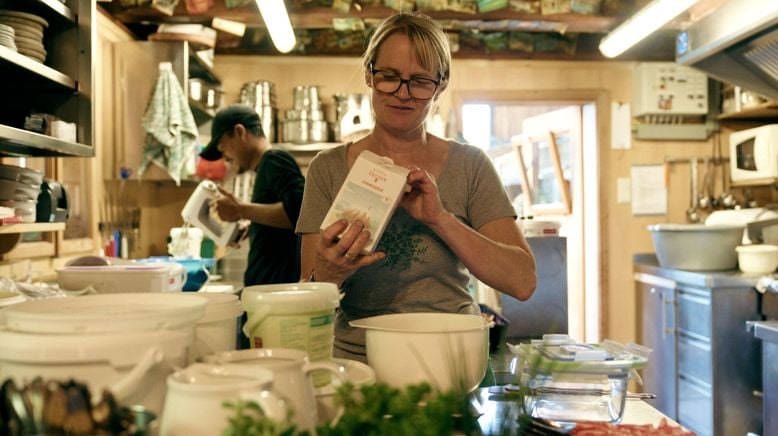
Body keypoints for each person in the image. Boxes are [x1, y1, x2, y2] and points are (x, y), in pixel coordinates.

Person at [295, 12, 537, 362]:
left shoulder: (470, 165)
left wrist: (440, 218)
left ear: (441, 85)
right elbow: (309, 296)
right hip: (358, 360)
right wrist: (328, 274)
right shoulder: (328, 168)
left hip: (451, 358)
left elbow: (523, 282)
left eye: (421, 81)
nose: (403, 94)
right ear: (369, 74)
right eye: (389, 77)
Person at [199, 104, 306, 286]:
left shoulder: (274, 159)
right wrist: (253, 228)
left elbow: (300, 213)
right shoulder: (267, 165)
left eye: (223, 148)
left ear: (239, 132)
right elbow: (285, 219)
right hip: (269, 293)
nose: (225, 158)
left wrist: (240, 210)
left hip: (276, 295)